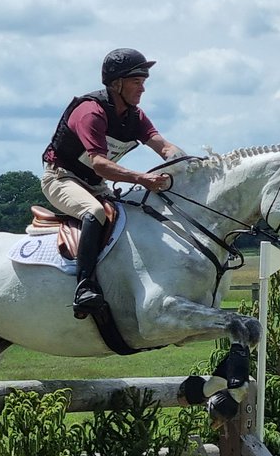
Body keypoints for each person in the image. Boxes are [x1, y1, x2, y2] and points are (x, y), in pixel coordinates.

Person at [41, 47, 184, 318]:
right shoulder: (90, 112)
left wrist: (189, 163)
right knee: (93, 212)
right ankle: (84, 287)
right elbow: (100, 164)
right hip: (62, 178)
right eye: (136, 82)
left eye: (143, 83)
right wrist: (141, 178)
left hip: (95, 186)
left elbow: (163, 146)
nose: (142, 89)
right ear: (116, 83)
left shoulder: (135, 116)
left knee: (136, 214)